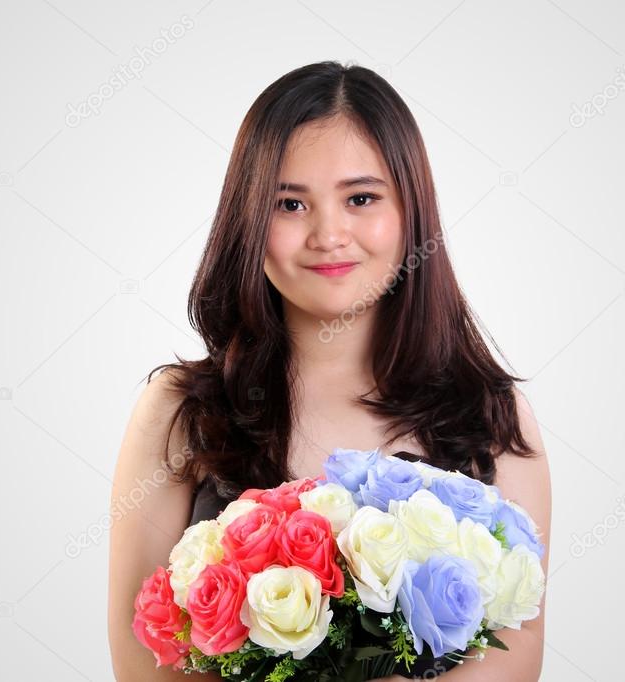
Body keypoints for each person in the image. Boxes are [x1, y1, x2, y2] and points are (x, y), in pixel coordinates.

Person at [108, 60, 551, 682]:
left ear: (411, 213)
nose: (328, 234)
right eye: (289, 204)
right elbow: (141, 657)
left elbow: (519, 643)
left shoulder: (495, 418)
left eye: (361, 198)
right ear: (248, 218)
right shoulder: (179, 409)